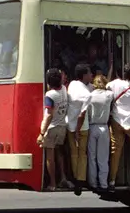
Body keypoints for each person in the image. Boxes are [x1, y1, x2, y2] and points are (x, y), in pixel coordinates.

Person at [36, 68, 70, 191]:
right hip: (62, 127)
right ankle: (63, 178)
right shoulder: (64, 90)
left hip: (52, 128)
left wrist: (42, 133)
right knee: (59, 153)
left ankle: (52, 183)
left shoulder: (50, 95)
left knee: (50, 157)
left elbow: (49, 114)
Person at [65, 63, 93, 193]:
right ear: (84, 76)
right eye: (89, 73)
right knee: (82, 154)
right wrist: (78, 130)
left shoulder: (72, 84)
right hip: (81, 128)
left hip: (69, 124)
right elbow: (82, 115)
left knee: (73, 153)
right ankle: (80, 180)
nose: (91, 75)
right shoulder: (87, 94)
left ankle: (75, 177)